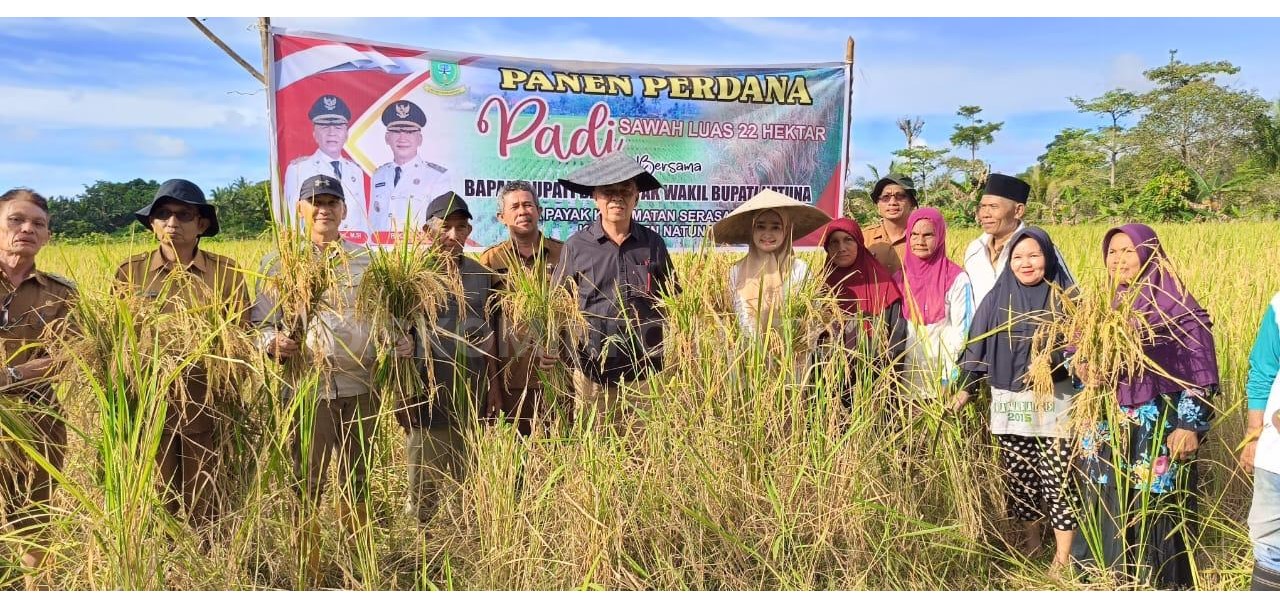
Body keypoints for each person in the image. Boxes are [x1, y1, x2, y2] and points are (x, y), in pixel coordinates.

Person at [250, 174, 412, 581]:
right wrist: (271, 343)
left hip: (361, 386)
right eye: (314, 201)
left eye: (331, 201)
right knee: (308, 481)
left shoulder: (365, 261)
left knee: (358, 477)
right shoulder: (279, 263)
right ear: (301, 210)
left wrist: (397, 343)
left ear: (343, 210)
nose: (323, 208)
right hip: (308, 389)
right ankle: (311, 570)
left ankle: (360, 562)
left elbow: (384, 318)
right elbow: (261, 323)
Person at [1072, 223, 1219, 590]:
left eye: (1127, 250)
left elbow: (1201, 372)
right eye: (1111, 252)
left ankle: (1157, 582)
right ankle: (1108, 578)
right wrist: (1082, 368)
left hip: (1158, 422)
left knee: (1154, 497)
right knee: (1105, 494)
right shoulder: (1100, 307)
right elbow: (1074, 356)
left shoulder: (1178, 307)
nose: (1117, 259)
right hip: (1106, 422)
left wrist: (1189, 425)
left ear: (1149, 253)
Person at [114, 178, 251, 544]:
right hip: (151, 402)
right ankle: (163, 563)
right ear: (153, 224)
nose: (173, 222)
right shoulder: (131, 272)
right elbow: (118, 340)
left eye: (183, 215)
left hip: (208, 401)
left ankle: (207, 562)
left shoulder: (227, 272)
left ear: (201, 224)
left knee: (206, 492)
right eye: (163, 214)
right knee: (157, 492)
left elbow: (242, 336)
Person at [952, 227, 1079, 571]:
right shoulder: (997, 298)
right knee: (1021, 478)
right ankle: (1032, 541)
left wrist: (1054, 361)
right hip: (1010, 401)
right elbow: (977, 344)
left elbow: (1083, 350)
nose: (1026, 263)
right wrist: (965, 389)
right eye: (1018, 257)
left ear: (1049, 258)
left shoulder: (1068, 297)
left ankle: (1062, 557)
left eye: (1034, 255)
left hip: (1056, 401)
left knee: (1058, 480)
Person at [551, 152, 679, 432]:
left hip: (644, 371)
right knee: (594, 447)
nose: (617, 198)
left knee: (643, 448)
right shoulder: (576, 246)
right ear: (595, 197)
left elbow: (674, 300)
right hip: (592, 370)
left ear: (637, 198)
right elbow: (559, 304)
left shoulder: (653, 243)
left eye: (625, 191)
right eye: (608, 192)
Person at [402, 192, 500, 525]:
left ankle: (465, 535)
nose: (455, 236)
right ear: (427, 232)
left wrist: (494, 390)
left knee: (467, 475)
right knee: (423, 473)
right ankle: (422, 535)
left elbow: (490, 338)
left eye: (461, 227)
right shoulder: (411, 277)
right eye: (446, 227)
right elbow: (394, 337)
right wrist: (403, 393)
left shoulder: (480, 275)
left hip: (471, 392)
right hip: (426, 393)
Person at [0, 188, 77, 585]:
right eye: (16, 220)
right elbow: (36, 367)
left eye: (38, 224)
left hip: (39, 423)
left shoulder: (61, 292)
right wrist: (14, 375)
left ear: (47, 236)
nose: (27, 229)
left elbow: (76, 353)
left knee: (33, 523)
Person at [478, 181, 563, 436]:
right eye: (514, 206)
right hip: (511, 381)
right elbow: (484, 327)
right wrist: (493, 383)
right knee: (518, 460)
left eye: (528, 205)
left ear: (539, 210)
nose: (522, 211)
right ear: (501, 217)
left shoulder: (564, 254)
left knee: (561, 451)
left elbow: (577, 315)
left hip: (559, 378)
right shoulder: (491, 261)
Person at [711, 189, 829, 340]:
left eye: (776, 227)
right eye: (760, 226)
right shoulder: (735, 271)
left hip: (792, 357)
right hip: (745, 357)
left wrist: (797, 346)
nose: (767, 234)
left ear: (785, 231)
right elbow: (726, 319)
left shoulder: (799, 270)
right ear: (752, 230)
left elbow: (814, 316)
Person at [893, 207, 973, 401]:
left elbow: (962, 332)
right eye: (914, 234)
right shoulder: (898, 278)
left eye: (928, 235)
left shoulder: (956, 279)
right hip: (903, 380)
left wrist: (948, 378)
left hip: (940, 380)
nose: (920, 241)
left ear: (940, 236)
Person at [963, 173, 1073, 307]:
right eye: (982, 207)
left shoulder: (1041, 248)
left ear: (1018, 211)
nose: (984, 214)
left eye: (993, 207)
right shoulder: (975, 249)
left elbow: (1070, 294)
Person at [818, 217, 907, 372]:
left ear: (859, 243)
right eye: (834, 242)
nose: (842, 248)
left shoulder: (882, 285)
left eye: (848, 240)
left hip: (875, 376)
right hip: (829, 379)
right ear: (828, 248)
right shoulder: (820, 288)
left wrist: (885, 378)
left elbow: (897, 336)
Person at [281, 94, 370, 239]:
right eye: (324, 126)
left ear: (346, 134)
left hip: (353, 249)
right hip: (314, 249)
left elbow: (362, 219)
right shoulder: (298, 169)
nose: (331, 133)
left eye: (338, 127)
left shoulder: (355, 170)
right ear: (315, 133)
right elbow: (292, 216)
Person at [369, 100, 452, 241]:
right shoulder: (379, 175)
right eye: (396, 131)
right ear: (387, 138)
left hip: (418, 257)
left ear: (419, 139)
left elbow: (443, 223)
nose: (402, 138)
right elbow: (372, 220)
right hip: (380, 253)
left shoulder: (436, 176)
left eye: (409, 131)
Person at [1245, 288, 1280, 590]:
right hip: (1276, 456)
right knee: (1270, 548)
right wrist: (1253, 438)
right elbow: (1262, 373)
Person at [861, 174, 917, 275]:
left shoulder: (922, 238)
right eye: (885, 197)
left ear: (912, 203)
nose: (892, 202)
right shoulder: (863, 238)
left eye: (900, 196)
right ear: (878, 204)